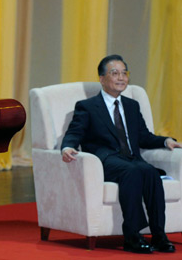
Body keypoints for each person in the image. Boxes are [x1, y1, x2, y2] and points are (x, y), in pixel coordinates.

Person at [61, 54, 181, 254]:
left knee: (150, 172)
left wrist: (165, 141)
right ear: (102, 78)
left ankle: (159, 235)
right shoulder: (88, 107)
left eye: (124, 73)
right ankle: (132, 236)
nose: (121, 77)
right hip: (106, 160)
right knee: (133, 171)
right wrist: (67, 147)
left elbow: (143, 136)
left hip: (131, 159)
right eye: (114, 73)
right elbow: (74, 132)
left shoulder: (132, 106)